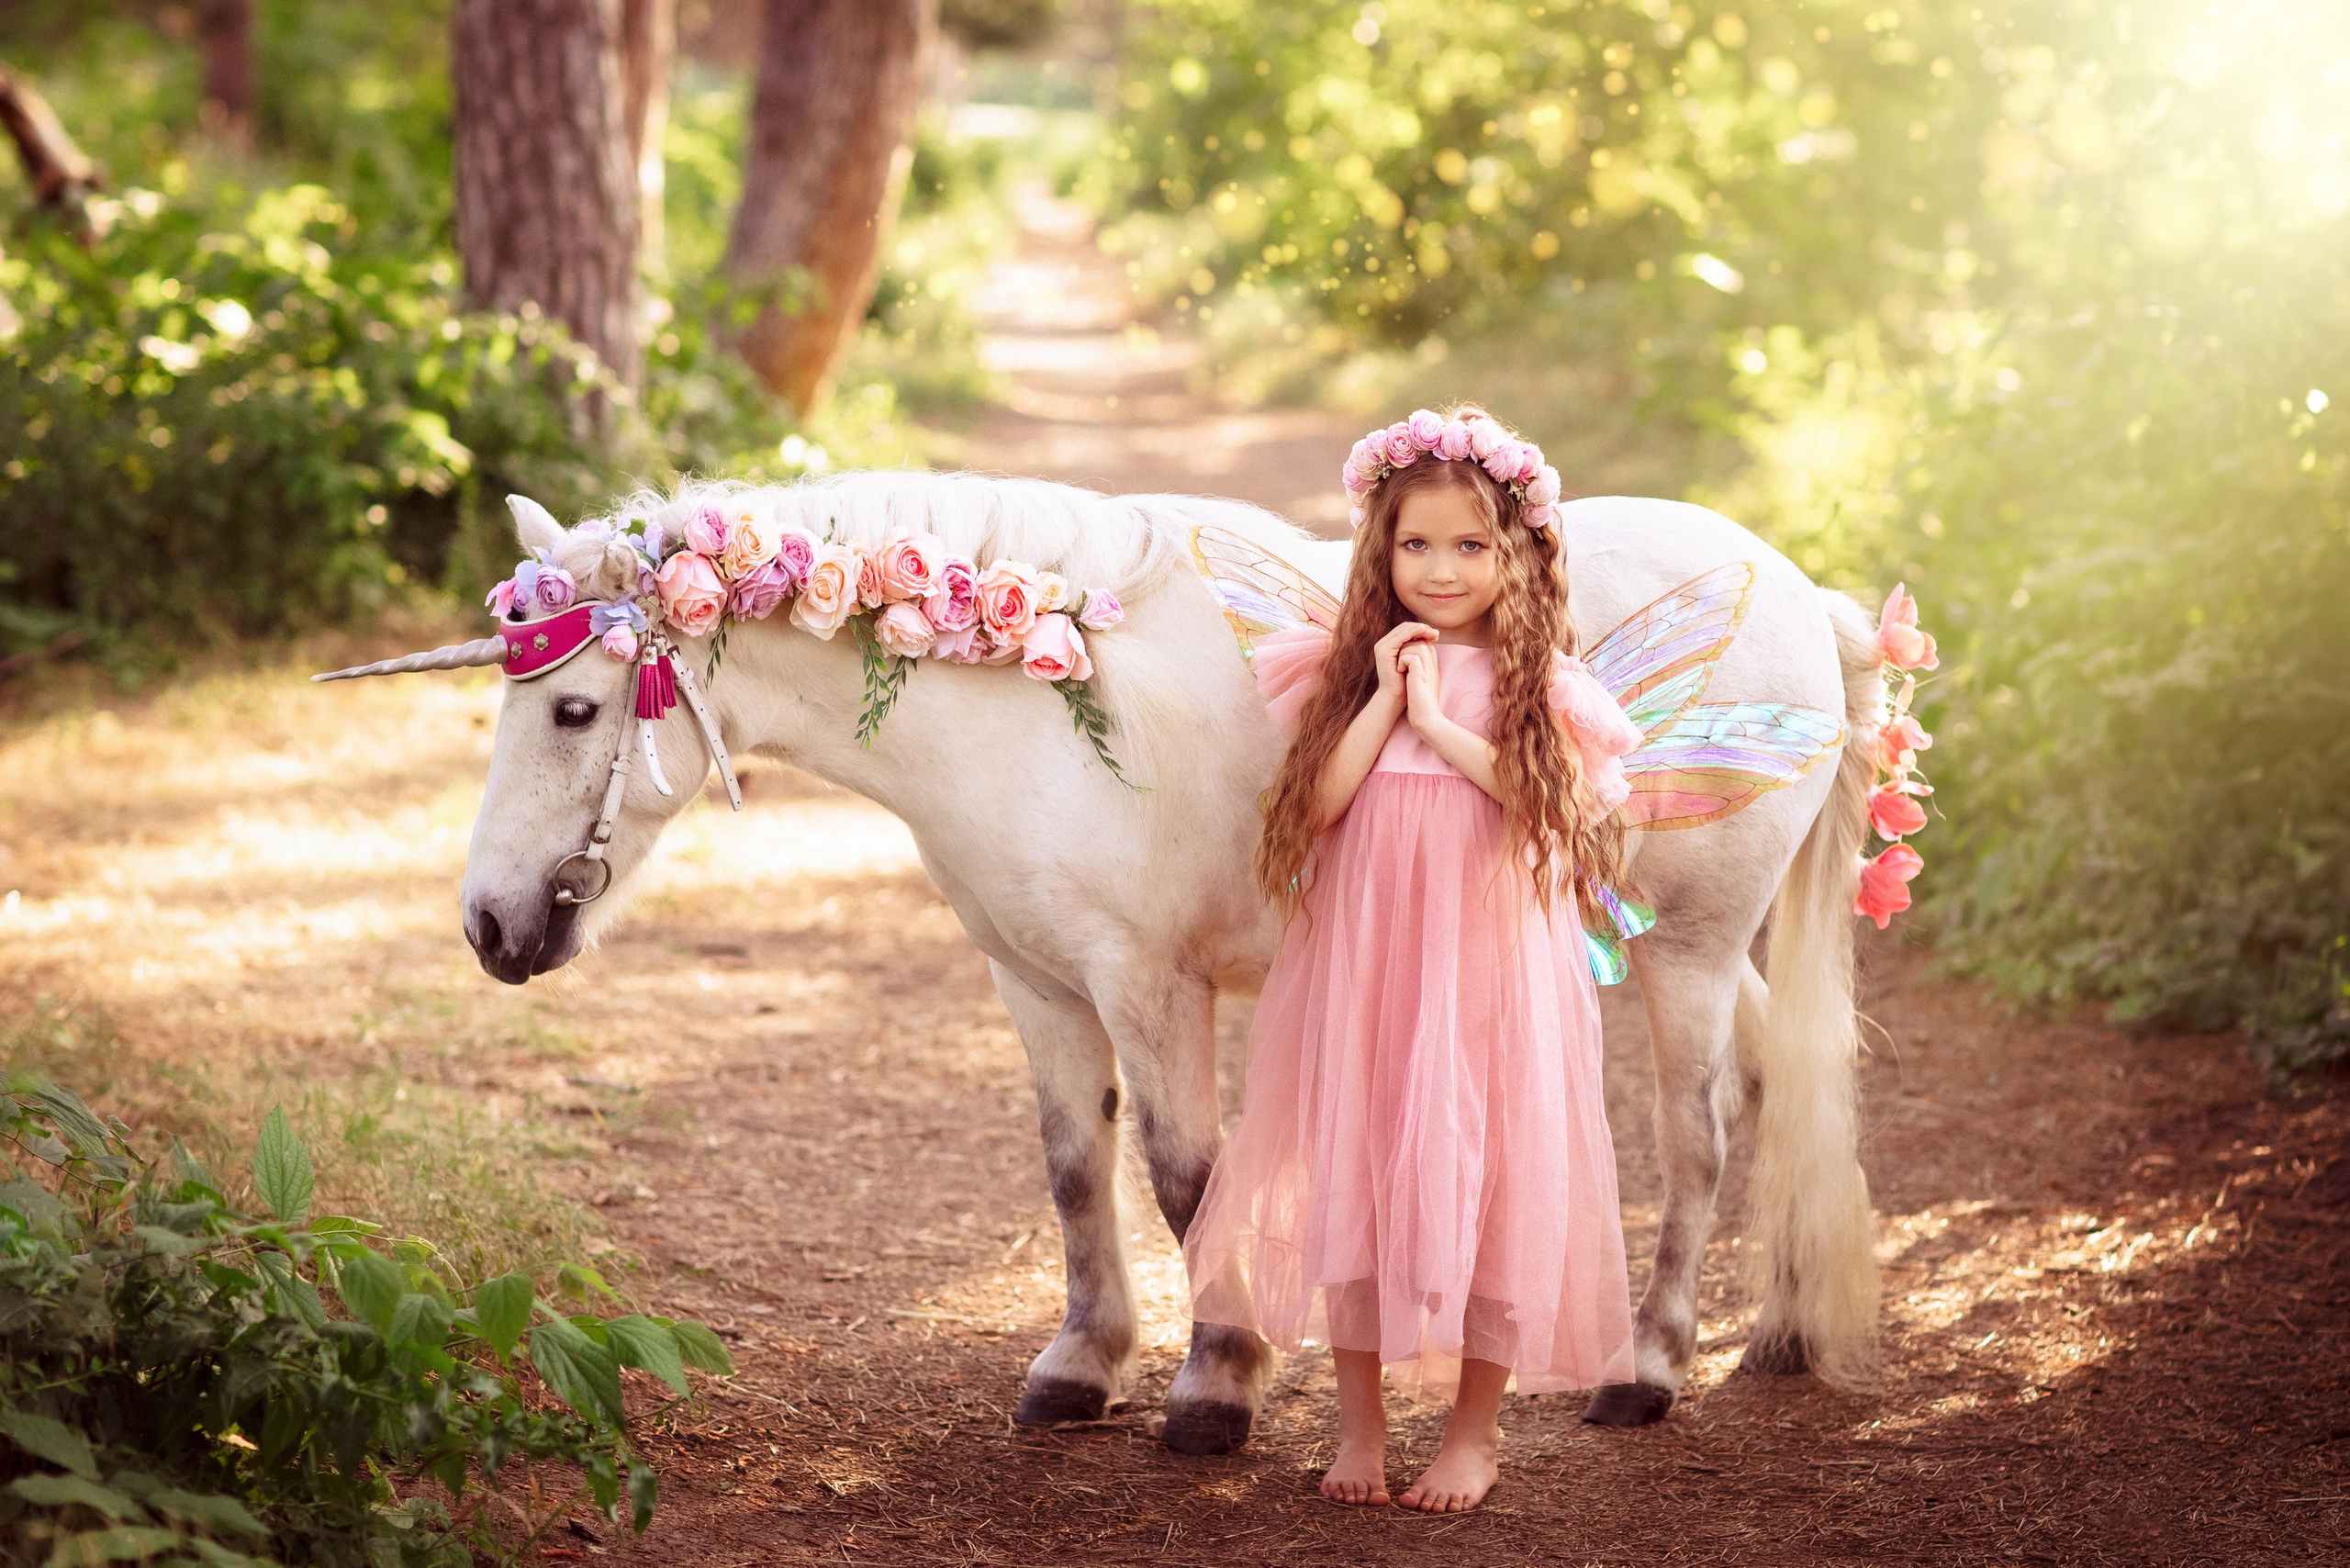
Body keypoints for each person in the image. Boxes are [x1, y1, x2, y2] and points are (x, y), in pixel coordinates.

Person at [1183, 407, 1640, 1512]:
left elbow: (1552, 808)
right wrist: (1389, 695)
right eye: (1416, 545)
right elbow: (1323, 807)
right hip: (1372, 972)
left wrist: (1438, 725)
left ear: (1516, 555)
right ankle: (1360, 1427)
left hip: (1486, 972)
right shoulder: (1348, 676)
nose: (1440, 568)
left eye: (1470, 546)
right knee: (1357, 1166)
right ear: (1380, 554)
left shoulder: (1544, 689)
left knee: (1491, 1177)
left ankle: (1474, 1435)